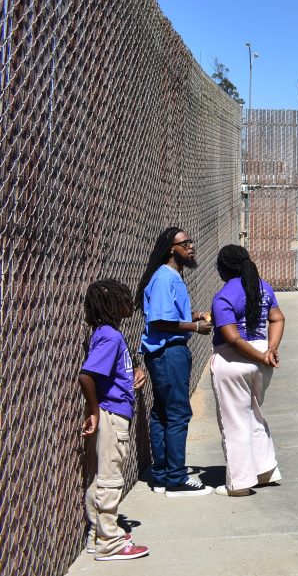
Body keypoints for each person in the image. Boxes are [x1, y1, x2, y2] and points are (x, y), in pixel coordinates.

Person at [135, 227, 214, 496]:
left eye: (191, 242)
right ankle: (177, 480)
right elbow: (159, 320)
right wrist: (194, 326)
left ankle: (162, 474)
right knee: (178, 414)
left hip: (167, 353)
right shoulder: (163, 278)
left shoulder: (173, 276)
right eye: (185, 243)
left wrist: (196, 314)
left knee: (163, 413)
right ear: (171, 248)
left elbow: (169, 313)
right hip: (168, 354)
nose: (191, 246)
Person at [79, 279, 150, 560]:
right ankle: (110, 543)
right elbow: (87, 375)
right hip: (111, 414)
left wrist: (133, 372)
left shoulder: (106, 334)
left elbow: (108, 371)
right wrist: (94, 411)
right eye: (123, 298)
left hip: (112, 411)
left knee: (101, 477)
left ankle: (99, 534)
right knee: (110, 479)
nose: (129, 303)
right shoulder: (110, 336)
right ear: (111, 306)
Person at [209, 245, 286, 496]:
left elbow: (232, 338)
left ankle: (239, 484)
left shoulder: (223, 296)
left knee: (234, 422)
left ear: (224, 268)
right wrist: (269, 350)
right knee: (253, 413)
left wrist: (261, 355)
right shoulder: (263, 287)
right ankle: (265, 471)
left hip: (234, 361)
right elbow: (277, 318)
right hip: (262, 359)